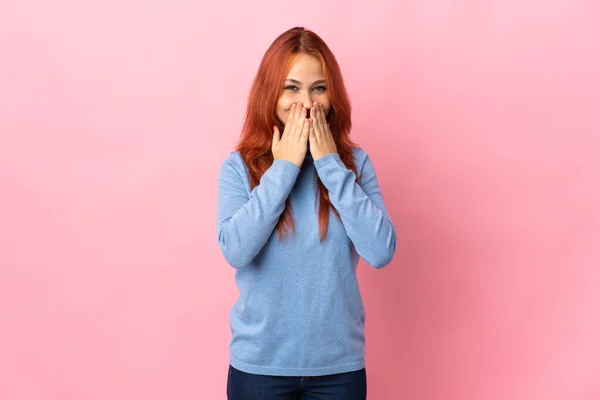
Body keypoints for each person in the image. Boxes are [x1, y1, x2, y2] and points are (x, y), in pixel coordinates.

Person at [216, 26, 397, 400]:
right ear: (271, 92)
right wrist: (283, 168)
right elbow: (235, 250)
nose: (306, 101)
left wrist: (330, 164)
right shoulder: (239, 167)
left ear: (332, 95)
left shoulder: (355, 165)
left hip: (338, 370)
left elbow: (380, 251)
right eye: (291, 87)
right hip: (259, 369)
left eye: (318, 88)